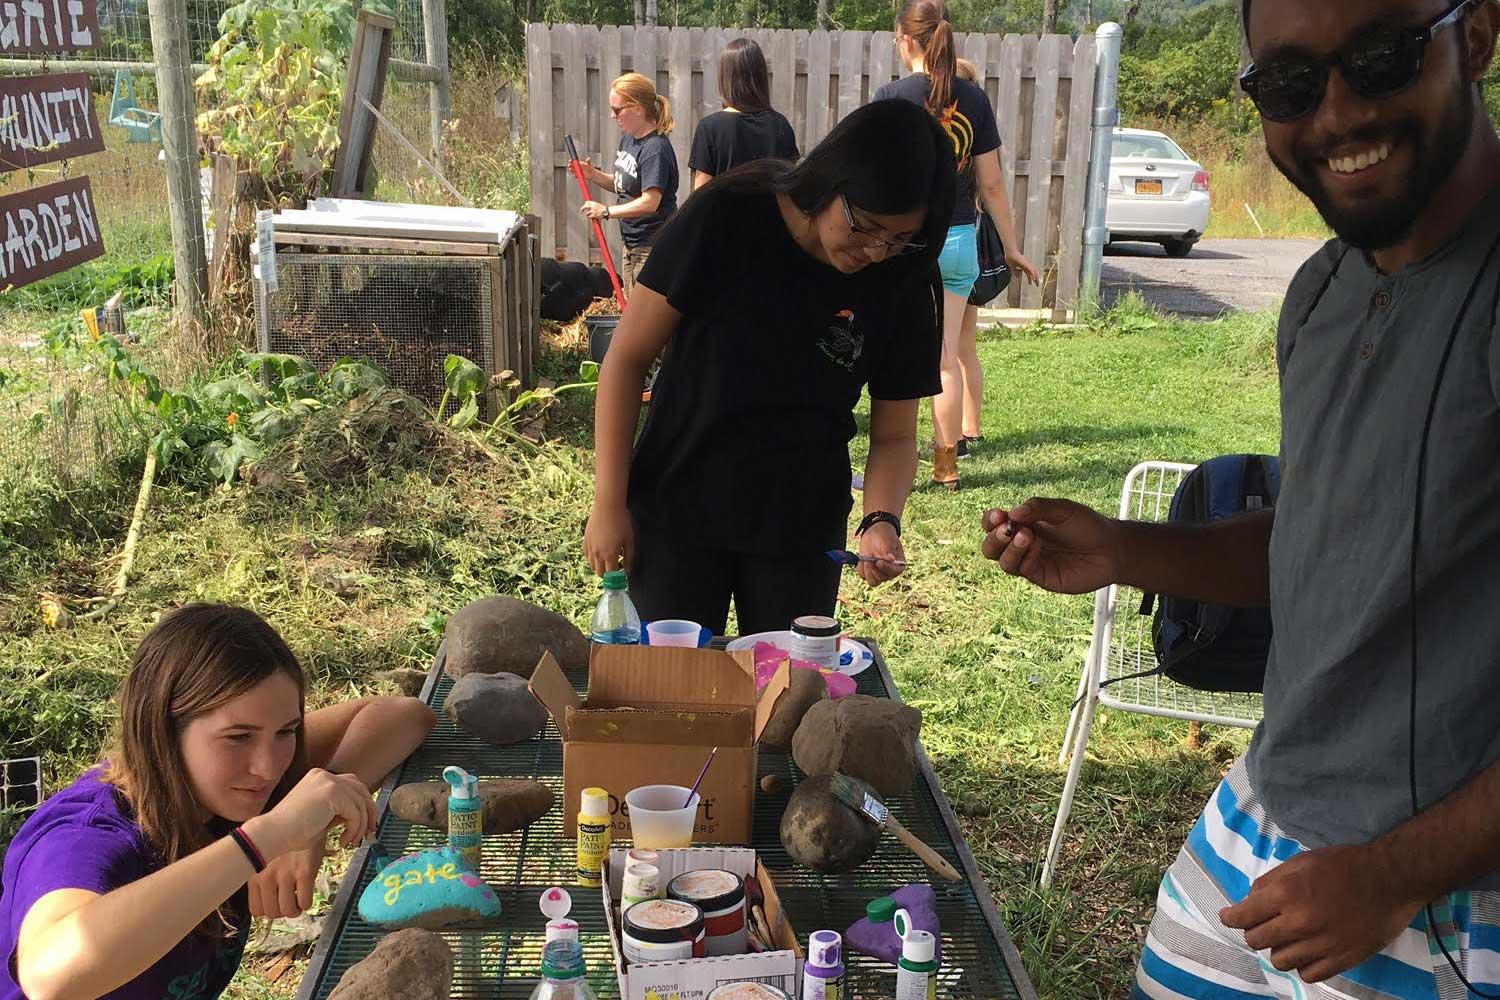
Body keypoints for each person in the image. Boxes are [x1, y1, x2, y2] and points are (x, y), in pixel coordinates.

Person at [982, 0, 1500, 996]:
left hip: (1438, 889)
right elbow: (1320, 539)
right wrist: (1123, 549)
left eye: (1383, 57)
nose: (1339, 112)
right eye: (1291, 83)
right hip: (1270, 809)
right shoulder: (1320, 294)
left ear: (1474, 36)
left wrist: (1395, 873)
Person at [583, 99, 956, 636]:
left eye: (897, 240)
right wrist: (608, 502)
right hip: (678, 500)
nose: (875, 252)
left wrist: (880, 520)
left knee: (785, 698)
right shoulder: (727, 215)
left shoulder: (906, 275)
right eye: (866, 226)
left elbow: (896, 434)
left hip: (800, 522)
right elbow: (626, 358)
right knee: (672, 695)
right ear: (832, 180)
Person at [1, 603, 437, 1000]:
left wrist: (312, 826)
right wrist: (267, 836)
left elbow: (402, 716)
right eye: (238, 737)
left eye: (286, 731)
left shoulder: (232, 783)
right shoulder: (86, 835)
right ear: (162, 731)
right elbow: (49, 977)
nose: (269, 767)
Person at [874, 0, 1039, 490]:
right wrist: (1010, 245)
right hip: (962, 239)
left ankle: (898, 455)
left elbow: (878, 176)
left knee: (900, 353)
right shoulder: (973, 97)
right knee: (947, 356)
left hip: (909, 245)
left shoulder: (892, 95)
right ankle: (946, 467)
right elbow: (992, 184)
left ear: (906, 40)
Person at [578, 73, 680, 297]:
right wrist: (593, 174)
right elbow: (623, 185)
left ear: (638, 109)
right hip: (632, 244)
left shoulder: (656, 149)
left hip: (652, 247)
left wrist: (606, 212)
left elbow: (650, 202)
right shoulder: (629, 140)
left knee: (645, 321)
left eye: (617, 110)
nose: (613, 116)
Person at [689, 38, 799, 192]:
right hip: (770, 216)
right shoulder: (781, 125)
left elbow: (699, 197)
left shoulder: (709, 128)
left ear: (725, 78)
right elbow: (791, 189)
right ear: (761, 77)